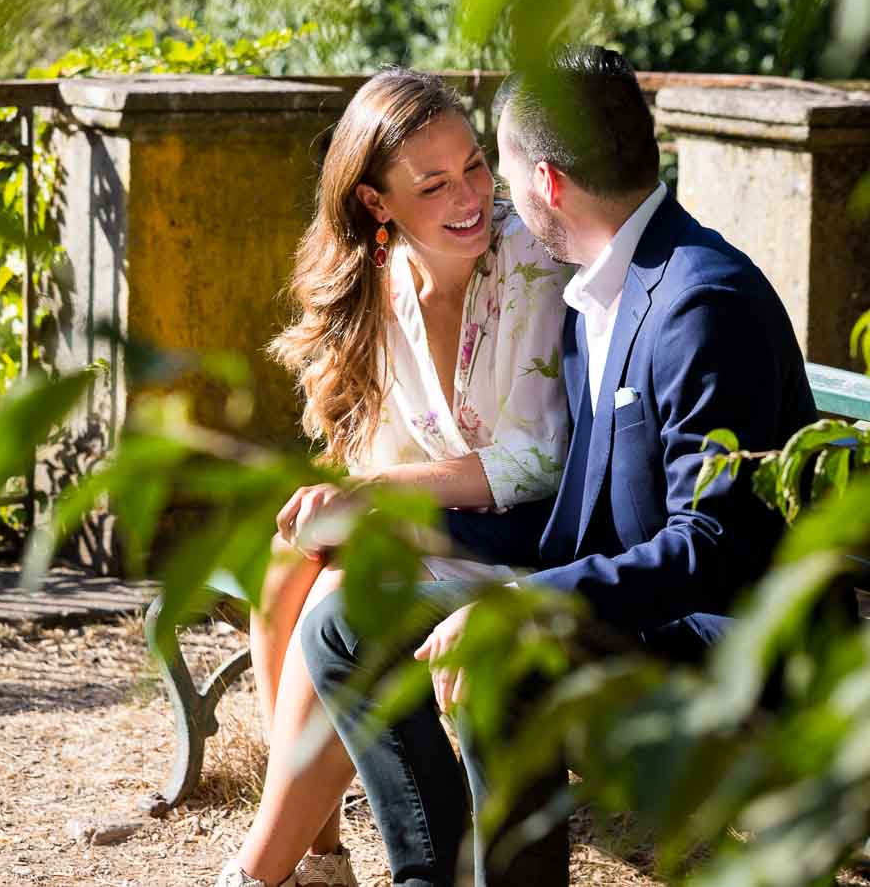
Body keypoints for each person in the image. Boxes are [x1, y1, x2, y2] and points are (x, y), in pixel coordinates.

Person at [301, 45, 819, 887]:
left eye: (492, 170)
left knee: (506, 656)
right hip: (629, 606)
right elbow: (582, 522)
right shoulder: (599, 293)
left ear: (545, 182)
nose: (488, 197)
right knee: (343, 628)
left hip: (722, 642)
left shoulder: (697, 302)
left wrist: (530, 602)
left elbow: (715, 544)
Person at [215, 68, 572, 887]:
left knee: (342, 607)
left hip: (526, 538)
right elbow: (377, 451)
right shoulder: (379, 282)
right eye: (434, 183)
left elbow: (544, 458)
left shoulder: (531, 266)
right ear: (378, 205)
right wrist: (346, 505)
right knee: (287, 567)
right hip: (433, 525)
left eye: (477, 165)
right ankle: (320, 853)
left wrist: (378, 502)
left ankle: (255, 873)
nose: (471, 196)